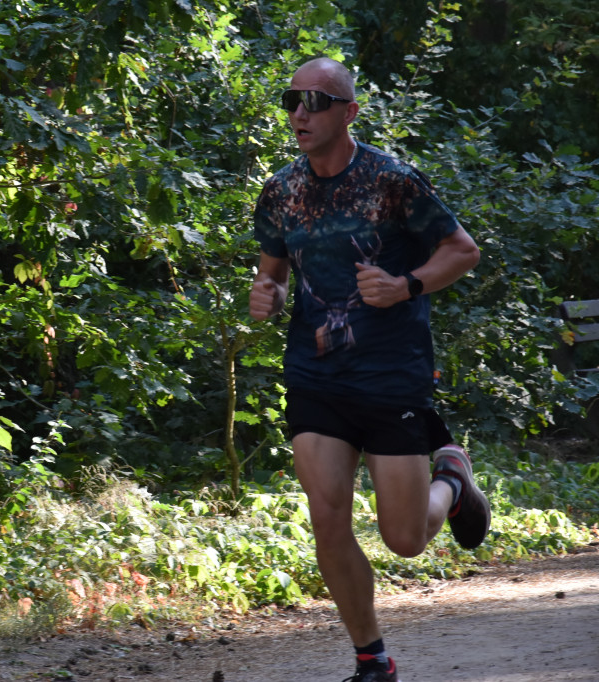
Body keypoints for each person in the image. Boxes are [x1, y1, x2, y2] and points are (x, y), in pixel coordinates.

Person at [249, 57, 491, 682]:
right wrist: (267, 297)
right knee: (326, 515)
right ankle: (371, 659)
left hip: (391, 376)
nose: (300, 112)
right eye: (292, 100)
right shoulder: (280, 190)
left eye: (316, 101)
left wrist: (406, 285)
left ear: (349, 113)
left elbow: (462, 250)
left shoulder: (393, 180)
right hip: (316, 375)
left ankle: (452, 480)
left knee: (406, 539)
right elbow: (271, 275)